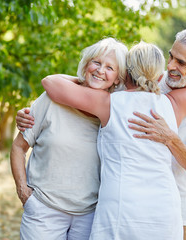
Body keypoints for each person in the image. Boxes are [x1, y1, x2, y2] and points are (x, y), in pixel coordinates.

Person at [41, 41, 186, 239]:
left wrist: (94, 78)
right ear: (159, 75)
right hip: (164, 206)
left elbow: (51, 83)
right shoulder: (174, 104)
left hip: (119, 206)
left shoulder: (107, 103)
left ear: (125, 74)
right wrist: (183, 70)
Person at [10, 37, 128, 240]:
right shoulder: (51, 99)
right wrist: (23, 192)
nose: (100, 70)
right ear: (86, 64)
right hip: (43, 210)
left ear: (118, 78)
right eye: (97, 63)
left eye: (110, 67)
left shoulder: (115, 111)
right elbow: (19, 147)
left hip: (90, 216)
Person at [128, 29, 186, 240]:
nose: (170, 66)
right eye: (170, 56)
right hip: (134, 200)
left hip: (177, 204)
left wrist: (170, 138)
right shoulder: (150, 82)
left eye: (181, 62)